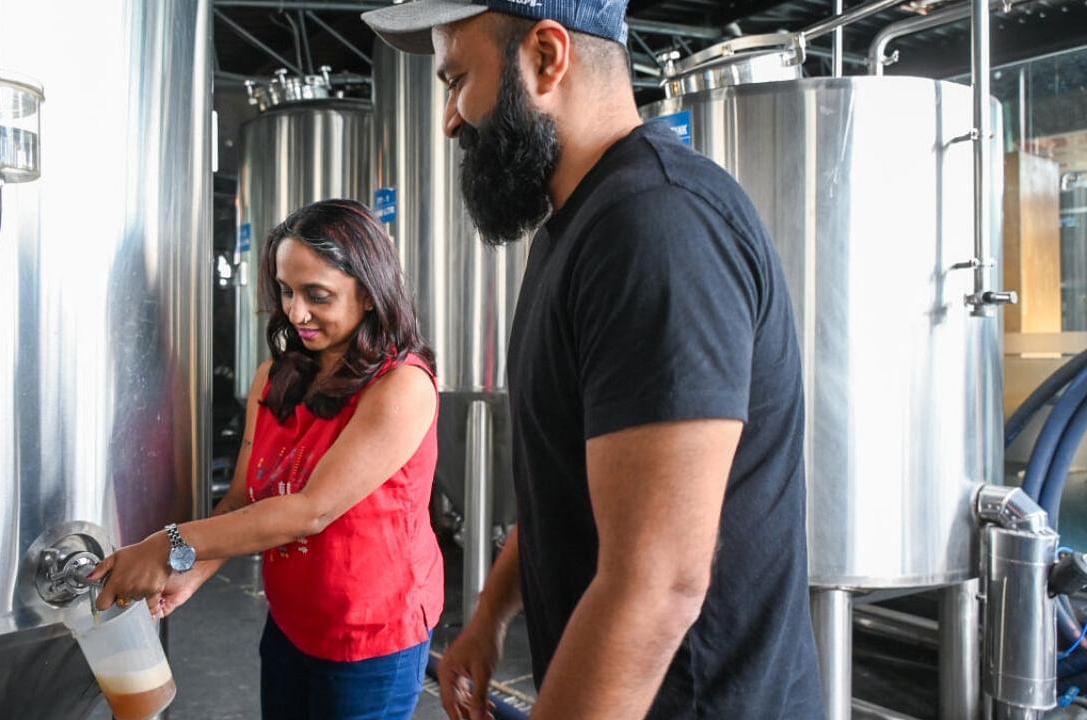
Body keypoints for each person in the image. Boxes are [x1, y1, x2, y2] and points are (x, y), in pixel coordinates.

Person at [362, 2, 823, 719]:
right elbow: (575, 484)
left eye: (457, 81)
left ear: (548, 57)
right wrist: (490, 615)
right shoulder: (578, 228)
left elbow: (658, 584)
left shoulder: (656, 228)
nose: (450, 119)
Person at [90, 199, 443, 720]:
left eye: (317, 296)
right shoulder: (275, 379)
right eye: (285, 290)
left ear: (368, 294)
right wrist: (191, 571)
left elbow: (310, 510)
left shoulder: (401, 387)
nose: (294, 312)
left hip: (371, 636)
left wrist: (165, 545)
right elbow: (241, 499)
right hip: (291, 623)